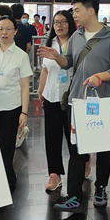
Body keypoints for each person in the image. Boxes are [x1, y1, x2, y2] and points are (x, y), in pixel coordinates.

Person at [38, 0, 110, 212]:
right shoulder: (77, 36)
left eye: (77, 10)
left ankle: (101, 188)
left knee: (102, 147)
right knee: (76, 149)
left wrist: (100, 77)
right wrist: (56, 56)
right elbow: (69, 62)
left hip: (100, 101)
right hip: (76, 100)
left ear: (91, 11)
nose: (74, 15)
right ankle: (74, 195)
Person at [0, 16, 32, 189]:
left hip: (11, 106)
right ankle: (2, 175)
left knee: (7, 144)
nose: (4, 32)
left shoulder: (21, 56)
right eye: (1, 29)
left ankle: (5, 177)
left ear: (15, 31)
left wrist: (24, 112)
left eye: (8, 29)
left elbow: (25, 86)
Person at [38, 10, 77, 192]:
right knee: (52, 137)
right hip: (51, 95)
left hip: (71, 96)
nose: (59, 25)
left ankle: (82, 162)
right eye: (56, 22)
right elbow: (45, 69)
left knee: (73, 136)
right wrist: (40, 90)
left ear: (70, 23)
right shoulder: (50, 43)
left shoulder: (76, 42)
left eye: (63, 22)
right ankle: (54, 173)